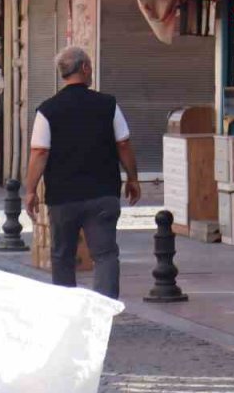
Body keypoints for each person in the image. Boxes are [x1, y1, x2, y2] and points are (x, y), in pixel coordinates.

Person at [24, 46, 141, 299]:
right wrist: (132, 178)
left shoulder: (47, 110)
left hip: (63, 197)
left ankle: (67, 313)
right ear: (85, 68)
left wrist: (31, 190)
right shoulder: (108, 105)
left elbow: (39, 152)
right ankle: (103, 310)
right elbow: (123, 143)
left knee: (62, 256)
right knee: (105, 254)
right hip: (102, 193)